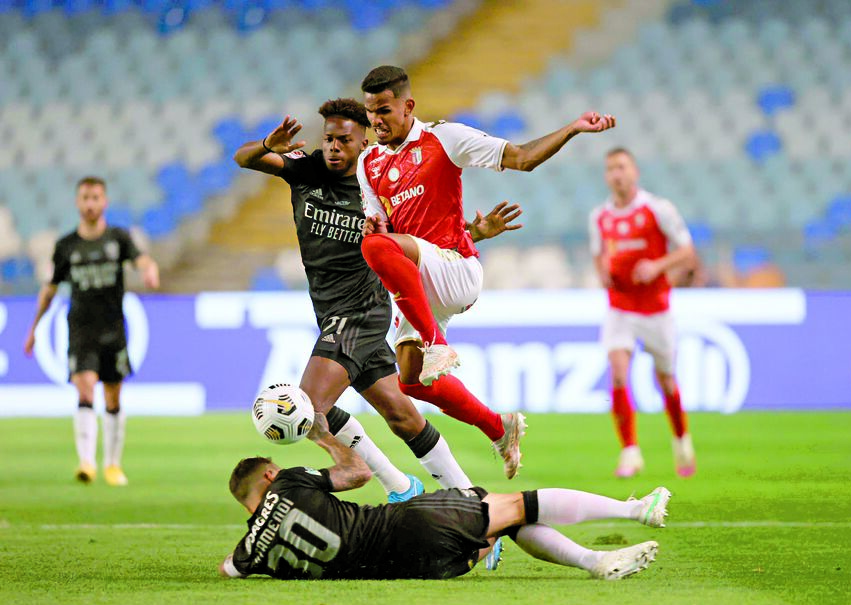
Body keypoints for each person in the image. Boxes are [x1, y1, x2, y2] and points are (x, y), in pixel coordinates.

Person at [232, 101, 520, 508]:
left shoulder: (379, 186)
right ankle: (474, 504)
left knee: (310, 405)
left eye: (344, 140)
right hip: (330, 313)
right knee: (403, 417)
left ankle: (385, 479)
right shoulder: (305, 169)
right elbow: (243, 159)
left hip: (362, 310)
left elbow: (422, 243)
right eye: (328, 139)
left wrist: (475, 233)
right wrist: (266, 145)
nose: (333, 147)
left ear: (362, 141)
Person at [357, 65, 617, 479]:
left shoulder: (445, 138)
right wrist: (468, 229)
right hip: (419, 283)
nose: (375, 121)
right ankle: (500, 428)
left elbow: (523, 158)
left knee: (374, 247)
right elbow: (392, 231)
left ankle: (435, 341)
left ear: (408, 107)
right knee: (410, 383)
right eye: (370, 112)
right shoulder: (367, 163)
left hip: (455, 271)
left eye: (384, 110)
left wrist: (572, 128)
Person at [218, 411, 670, 581]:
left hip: (425, 570)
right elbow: (355, 473)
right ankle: (634, 509)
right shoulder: (288, 482)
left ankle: (594, 562)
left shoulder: (249, 552)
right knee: (515, 504)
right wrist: (322, 436)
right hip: (409, 526)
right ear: (271, 473)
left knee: (503, 520)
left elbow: (229, 569)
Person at [23, 176, 160, 486]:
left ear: (105, 201)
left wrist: (149, 271)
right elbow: (49, 290)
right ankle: (86, 462)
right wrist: (34, 329)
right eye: (85, 198)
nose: (90, 204)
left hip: (113, 329)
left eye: (95, 197)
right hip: (81, 330)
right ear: (77, 202)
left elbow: (142, 260)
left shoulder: (118, 238)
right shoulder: (66, 246)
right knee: (84, 388)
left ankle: (112, 464)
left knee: (113, 397)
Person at [588, 148, 697, 478]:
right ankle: (630, 452)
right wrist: (603, 270)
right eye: (610, 169)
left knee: (665, 379)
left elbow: (687, 252)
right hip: (620, 306)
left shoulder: (657, 208)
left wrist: (657, 266)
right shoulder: (600, 217)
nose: (616, 174)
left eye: (621, 167)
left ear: (634, 171)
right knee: (618, 372)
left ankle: (681, 440)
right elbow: (598, 254)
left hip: (656, 309)